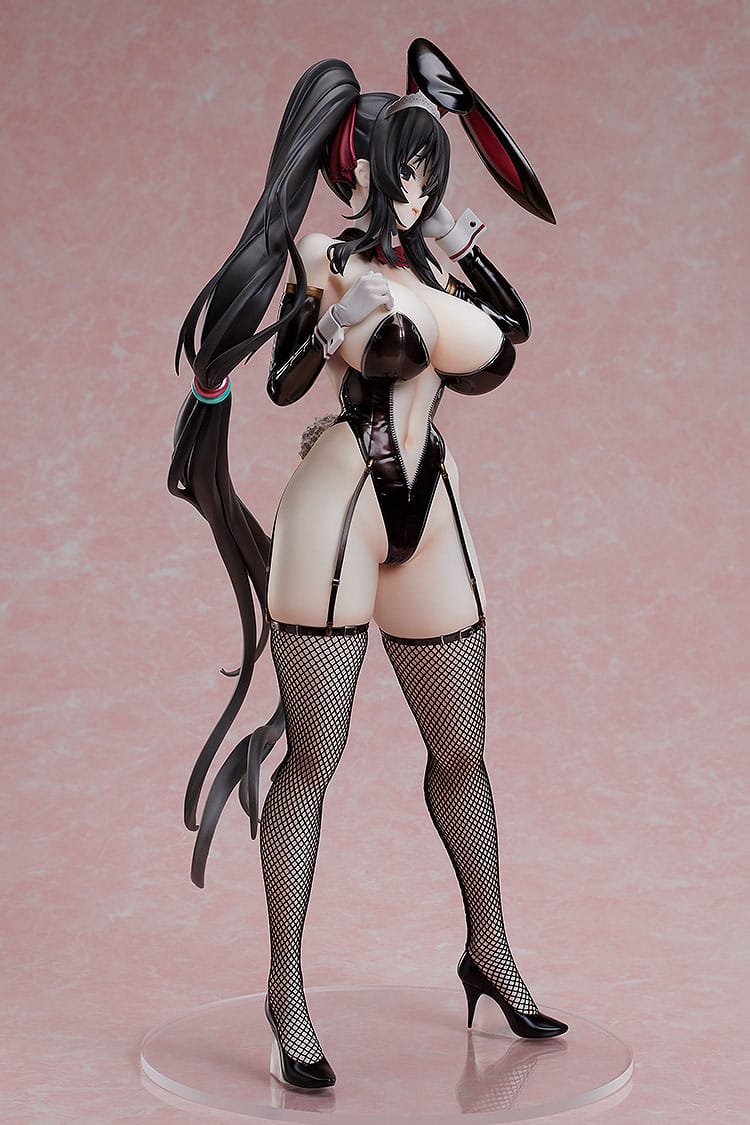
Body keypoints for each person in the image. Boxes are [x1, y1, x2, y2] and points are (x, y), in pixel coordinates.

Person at [169, 39, 567, 1092]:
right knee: (316, 755)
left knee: (463, 750)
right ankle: (286, 991)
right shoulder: (324, 255)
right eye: (405, 169)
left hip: (427, 503)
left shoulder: (435, 263)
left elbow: (508, 336)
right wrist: (328, 325)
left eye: (430, 169)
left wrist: (466, 254)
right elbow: (281, 384)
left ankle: (491, 952)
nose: (420, 188)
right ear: (362, 169)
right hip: (338, 506)